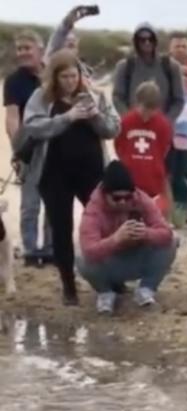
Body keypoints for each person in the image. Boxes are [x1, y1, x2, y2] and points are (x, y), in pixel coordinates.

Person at [19, 50, 120, 305]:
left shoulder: (94, 94)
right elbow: (32, 126)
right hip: (54, 173)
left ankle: (113, 278)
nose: (70, 81)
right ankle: (68, 286)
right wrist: (67, 117)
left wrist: (95, 114)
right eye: (64, 76)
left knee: (103, 224)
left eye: (73, 75)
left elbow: (112, 129)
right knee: (61, 229)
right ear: (54, 77)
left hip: (91, 170)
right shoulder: (41, 97)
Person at [77, 160, 177, 314]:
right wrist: (115, 239)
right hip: (109, 262)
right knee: (81, 257)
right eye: (117, 198)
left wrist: (146, 233)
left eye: (127, 197)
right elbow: (89, 250)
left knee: (173, 241)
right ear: (106, 194)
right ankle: (105, 292)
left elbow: (165, 232)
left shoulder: (141, 199)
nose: (123, 202)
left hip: (137, 256)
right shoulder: (94, 210)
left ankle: (146, 288)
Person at [4, 29, 53, 267]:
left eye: (27, 48)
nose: (23, 53)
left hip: (56, 145)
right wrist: (18, 148)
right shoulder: (14, 81)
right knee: (30, 205)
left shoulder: (53, 75)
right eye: (19, 48)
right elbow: (12, 118)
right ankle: (32, 252)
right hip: (29, 148)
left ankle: (52, 249)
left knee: (55, 201)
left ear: (40, 50)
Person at [114, 82, 173, 215]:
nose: (147, 115)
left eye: (152, 111)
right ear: (137, 103)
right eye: (144, 109)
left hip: (154, 180)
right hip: (130, 180)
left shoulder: (163, 124)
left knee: (156, 216)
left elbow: (164, 151)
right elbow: (119, 146)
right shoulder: (126, 121)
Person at [111, 23, 184, 124]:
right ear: (136, 42)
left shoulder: (171, 66)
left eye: (150, 39)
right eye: (142, 40)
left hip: (162, 127)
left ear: (155, 41)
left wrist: (166, 121)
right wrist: (129, 118)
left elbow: (179, 100)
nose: (147, 42)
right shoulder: (125, 67)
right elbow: (117, 97)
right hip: (133, 125)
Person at [44, 5, 97, 80]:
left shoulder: (82, 69)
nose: (71, 41)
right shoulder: (53, 60)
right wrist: (72, 17)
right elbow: (61, 31)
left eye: (73, 42)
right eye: (67, 40)